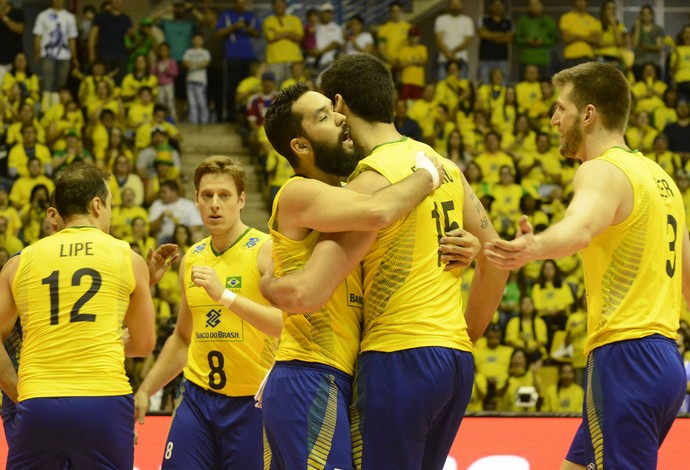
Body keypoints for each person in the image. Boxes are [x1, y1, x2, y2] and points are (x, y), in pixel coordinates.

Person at [265, 54, 507, 469]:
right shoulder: (443, 165)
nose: (334, 121)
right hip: (453, 361)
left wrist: (268, 284)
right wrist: (467, 333)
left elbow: (311, 286)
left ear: (340, 106)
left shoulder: (367, 181)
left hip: (396, 356)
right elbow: (498, 257)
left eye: (329, 112)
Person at [485, 61, 689, 469]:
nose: (553, 118)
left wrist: (535, 245)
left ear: (589, 114)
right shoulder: (658, 177)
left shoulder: (601, 170)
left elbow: (580, 228)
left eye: (561, 108)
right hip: (666, 361)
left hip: (625, 356)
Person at [261, 82, 450, 468]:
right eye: (324, 118)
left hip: (331, 375)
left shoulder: (344, 195)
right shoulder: (298, 191)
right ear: (301, 145)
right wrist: (427, 174)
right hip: (309, 375)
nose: (341, 118)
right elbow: (380, 212)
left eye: (334, 110)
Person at [0, 163, 156, 468]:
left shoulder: (20, 262)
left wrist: (19, 391)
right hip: (104, 400)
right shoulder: (128, 257)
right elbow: (145, 345)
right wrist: (103, 340)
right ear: (97, 205)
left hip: (39, 401)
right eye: (110, 204)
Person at [134, 156, 282, 469]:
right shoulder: (193, 258)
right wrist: (146, 389)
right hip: (198, 399)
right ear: (197, 202)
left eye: (224, 195)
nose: (215, 204)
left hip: (252, 404)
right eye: (207, 196)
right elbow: (183, 339)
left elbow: (286, 325)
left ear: (241, 200)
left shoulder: (265, 250)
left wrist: (225, 296)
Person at [33, 0, 79, 111]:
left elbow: (72, 38)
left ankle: (59, 110)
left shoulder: (69, 17)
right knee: (47, 83)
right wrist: (37, 52)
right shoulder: (43, 15)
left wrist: (74, 57)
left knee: (61, 84)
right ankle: (45, 110)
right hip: (47, 55)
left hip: (65, 56)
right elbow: (37, 36)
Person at [434, 0, 474, 80]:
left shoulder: (467, 20)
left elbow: (467, 41)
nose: (455, 6)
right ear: (449, 5)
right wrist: (447, 53)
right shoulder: (441, 19)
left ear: (462, 5)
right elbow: (439, 39)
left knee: (461, 88)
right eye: (453, 4)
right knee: (442, 87)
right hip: (444, 59)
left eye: (458, 4)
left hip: (461, 59)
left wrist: (452, 52)